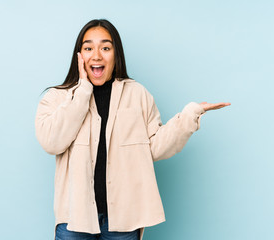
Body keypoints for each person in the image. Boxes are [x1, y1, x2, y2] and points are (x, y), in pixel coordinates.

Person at [35, 19, 230, 240]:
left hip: (124, 220)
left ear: (116, 55)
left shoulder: (137, 94)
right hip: (74, 219)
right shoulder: (57, 97)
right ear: (79, 56)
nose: (97, 55)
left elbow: (155, 148)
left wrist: (190, 115)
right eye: (88, 48)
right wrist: (82, 91)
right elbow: (51, 141)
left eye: (105, 48)